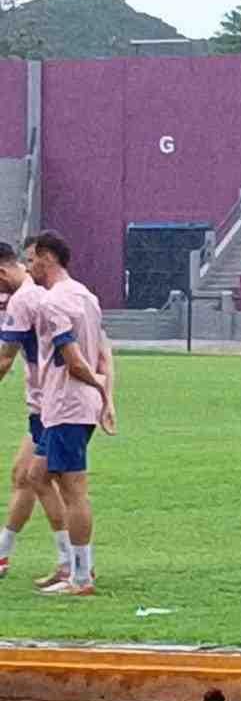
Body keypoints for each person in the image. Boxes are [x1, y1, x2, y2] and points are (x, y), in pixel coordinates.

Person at [28, 232, 115, 597]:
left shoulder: (54, 303)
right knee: (37, 474)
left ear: (47, 258)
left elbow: (75, 360)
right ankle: (69, 564)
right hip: (69, 403)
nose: (28, 266)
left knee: (74, 489)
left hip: (67, 403)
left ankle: (81, 577)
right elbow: (105, 352)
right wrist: (106, 397)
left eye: (31, 259)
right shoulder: (87, 297)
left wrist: (96, 389)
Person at [0, 239, 71, 582]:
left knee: (47, 480)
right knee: (23, 475)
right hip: (48, 401)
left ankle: (70, 563)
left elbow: (3, 359)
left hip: (50, 402)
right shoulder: (46, 293)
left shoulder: (23, 300)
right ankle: (3, 554)